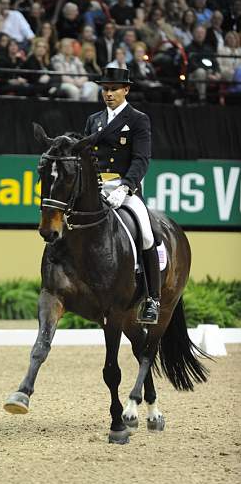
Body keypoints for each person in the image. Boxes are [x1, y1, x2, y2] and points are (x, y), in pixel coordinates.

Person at [84, 67, 160, 324]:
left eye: (114, 89)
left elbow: (141, 159)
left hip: (124, 189)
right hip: (96, 188)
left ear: (126, 90)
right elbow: (86, 157)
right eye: (105, 89)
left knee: (148, 234)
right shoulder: (94, 120)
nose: (108, 94)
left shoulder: (138, 119)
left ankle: (152, 299)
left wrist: (125, 187)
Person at [51, 36, 99, 101]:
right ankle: (76, 110)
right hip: (65, 83)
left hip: (79, 82)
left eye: (70, 46)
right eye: (65, 46)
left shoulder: (76, 59)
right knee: (74, 90)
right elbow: (62, 76)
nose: (68, 48)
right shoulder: (56, 59)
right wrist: (75, 83)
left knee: (93, 86)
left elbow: (84, 75)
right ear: (61, 48)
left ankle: (90, 109)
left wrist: (80, 82)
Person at [186, 24, 220, 102]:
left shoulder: (209, 48)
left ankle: (228, 101)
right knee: (200, 72)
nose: (200, 35)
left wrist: (217, 72)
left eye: (202, 33)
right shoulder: (188, 48)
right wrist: (208, 73)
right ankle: (202, 99)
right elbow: (192, 65)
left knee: (227, 73)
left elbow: (215, 63)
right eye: (197, 32)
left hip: (209, 73)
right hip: (192, 75)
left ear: (205, 35)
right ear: (193, 34)